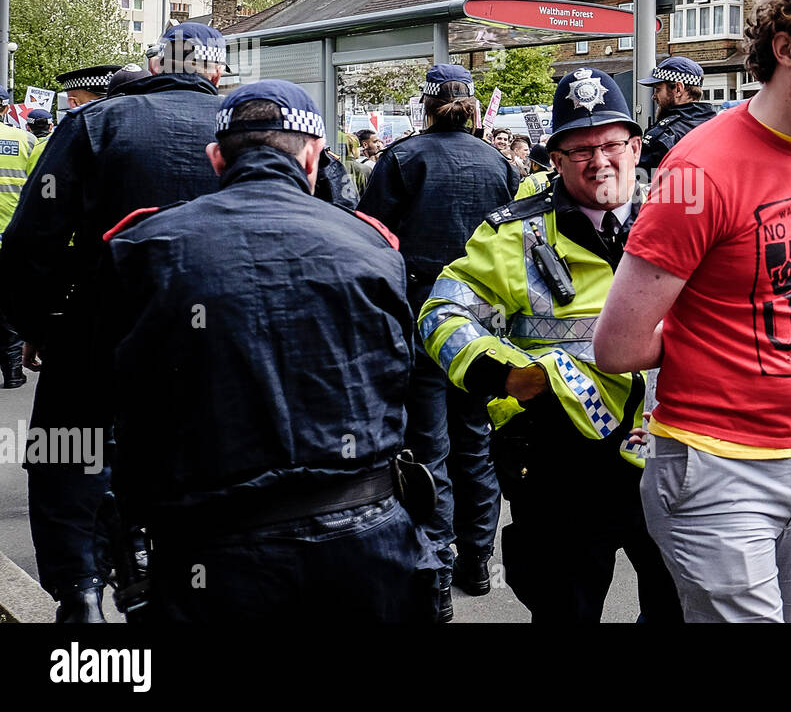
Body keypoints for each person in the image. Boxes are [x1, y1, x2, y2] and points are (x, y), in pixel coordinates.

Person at [595, 0, 791, 623]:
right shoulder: (701, 168)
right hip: (713, 470)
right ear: (788, 50)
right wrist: (711, 338)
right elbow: (618, 345)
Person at [99, 80, 435, 621]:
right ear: (312, 158)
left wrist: (86, 570)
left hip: (209, 546)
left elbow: (93, 406)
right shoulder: (372, 246)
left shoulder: (142, 247)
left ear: (216, 159)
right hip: (363, 540)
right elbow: (405, 385)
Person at [420, 67, 680, 624]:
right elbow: (442, 313)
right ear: (555, 159)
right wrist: (512, 376)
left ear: (635, 146)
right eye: (578, 149)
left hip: (669, 448)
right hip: (560, 459)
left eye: (611, 143)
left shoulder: (680, 218)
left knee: (679, 604)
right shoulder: (514, 233)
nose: (599, 160)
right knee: (565, 608)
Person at [0, 22, 227, 622]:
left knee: (68, 454)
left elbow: (29, 242)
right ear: (218, 73)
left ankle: (81, 594)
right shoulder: (251, 127)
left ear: (154, 66)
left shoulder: (95, 124)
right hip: (221, 333)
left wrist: (41, 327)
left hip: (101, 324)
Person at [357, 64, 517, 620]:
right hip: (483, 321)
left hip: (422, 317)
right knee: (475, 442)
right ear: (472, 108)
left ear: (425, 108)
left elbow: (371, 240)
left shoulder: (402, 158)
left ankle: (438, 571)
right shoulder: (498, 162)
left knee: (431, 448)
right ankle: (478, 560)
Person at [0, 97, 35, 390]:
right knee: (7, 304)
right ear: (5, 109)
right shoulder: (25, 139)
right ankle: (12, 371)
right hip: (11, 235)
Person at [636, 55, 715, 178]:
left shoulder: (664, 135)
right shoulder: (717, 126)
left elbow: (642, 185)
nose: (654, 96)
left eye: (658, 89)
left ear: (678, 89)